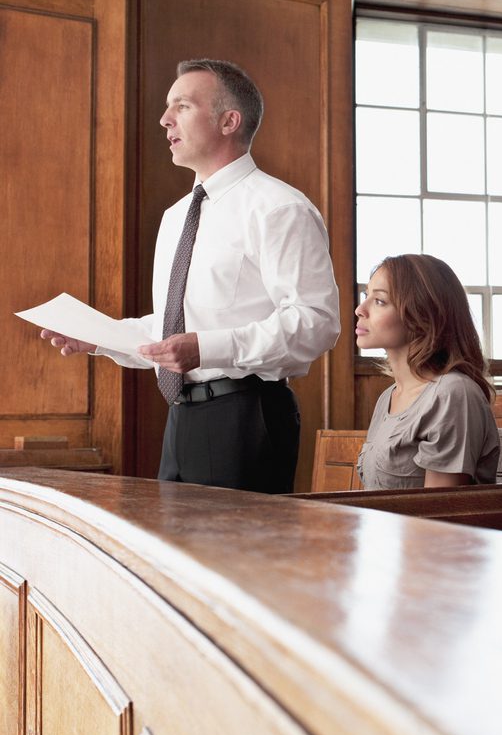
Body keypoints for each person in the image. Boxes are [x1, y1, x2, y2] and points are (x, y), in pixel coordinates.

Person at [41, 59, 339, 494]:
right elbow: (173, 328)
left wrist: (207, 348)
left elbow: (316, 322)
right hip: (181, 417)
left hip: (247, 414)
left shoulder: (279, 208)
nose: (164, 120)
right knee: (176, 559)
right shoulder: (176, 216)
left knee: (233, 561)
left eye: (181, 106)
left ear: (228, 121)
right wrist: (100, 339)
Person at [355, 254, 499, 489]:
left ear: (421, 314)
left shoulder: (453, 394)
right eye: (366, 296)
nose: (360, 309)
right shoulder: (387, 398)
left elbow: (438, 513)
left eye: (380, 301)